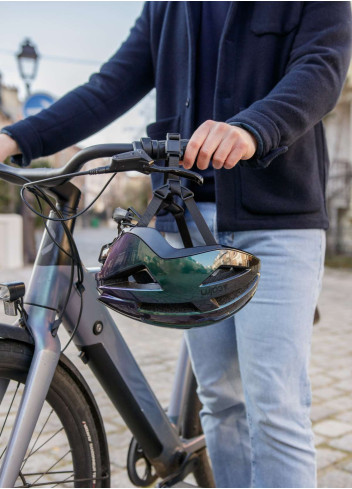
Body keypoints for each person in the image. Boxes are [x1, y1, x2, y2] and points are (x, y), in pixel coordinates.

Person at [0, 2, 351, 487]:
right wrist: (16, 137)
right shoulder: (168, 4)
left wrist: (252, 128)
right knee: (222, 401)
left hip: (278, 219)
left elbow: (321, 68)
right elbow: (110, 85)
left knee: (275, 407)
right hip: (188, 218)